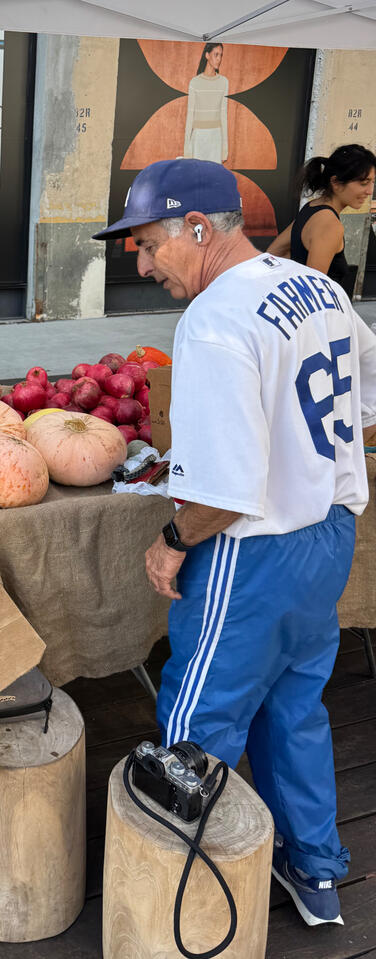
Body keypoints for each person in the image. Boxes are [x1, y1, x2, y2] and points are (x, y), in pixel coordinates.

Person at [94, 158, 376, 927]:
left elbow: (220, 492)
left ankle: (182, 903)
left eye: (150, 246)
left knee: (194, 729)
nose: (145, 266)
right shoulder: (316, 285)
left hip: (254, 554)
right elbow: (369, 394)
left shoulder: (214, 321)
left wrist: (171, 541)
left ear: (197, 227)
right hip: (329, 536)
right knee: (295, 709)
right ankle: (316, 875)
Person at [268, 144, 376, 298]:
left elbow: (273, 253)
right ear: (336, 183)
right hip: (319, 317)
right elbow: (313, 293)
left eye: (373, 182)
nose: (370, 191)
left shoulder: (311, 208)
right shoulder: (330, 225)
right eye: (364, 183)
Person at [183, 43, 228, 164]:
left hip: (216, 138)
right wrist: (187, 149)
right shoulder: (195, 82)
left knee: (213, 178)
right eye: (216, 54)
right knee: (197, 177)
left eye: (221, 55)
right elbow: (190, 116)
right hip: (198, 138)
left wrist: (224, 149)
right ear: (207, 55)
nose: (219, 59)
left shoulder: (224, 82)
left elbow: (223, 115)